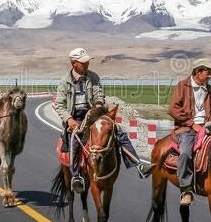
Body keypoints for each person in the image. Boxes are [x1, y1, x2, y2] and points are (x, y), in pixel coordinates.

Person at [53, 47, 151, 194]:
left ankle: (138, 164)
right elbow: (59, 105)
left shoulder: (94, 77)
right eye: (83, 62)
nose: (87, 64)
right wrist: (69, 120)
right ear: (74, 64)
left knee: (117, 131)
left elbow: (99, 94)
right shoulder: (64, 82)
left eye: (87, 62)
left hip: (93, 115)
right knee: (74, 140)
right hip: (75, 118)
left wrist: (99, 104)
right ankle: (76, 177)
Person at [168, 58, 211, 206]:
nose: (210, 75)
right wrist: (192, 124)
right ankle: (186, 190)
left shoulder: (210, 90)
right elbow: (173, 110)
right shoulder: (182, 86)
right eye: (208, 72)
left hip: (208, 126)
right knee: (186, 153)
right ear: (198, 72)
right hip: (186, 128)